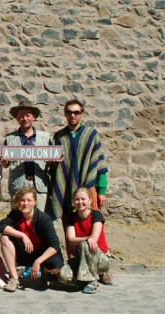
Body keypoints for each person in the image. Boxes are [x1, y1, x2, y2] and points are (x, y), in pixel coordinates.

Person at [47, 99, 109, 259]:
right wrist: (52, 163)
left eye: (76, 112)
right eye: (69, 112)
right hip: (67, 189)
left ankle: (101, 266)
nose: (72, 115)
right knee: (70, 224)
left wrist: (101, 191)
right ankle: (74, 263)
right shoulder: (59, 136)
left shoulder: (91, 135)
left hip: (89, 189)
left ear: (81, 114)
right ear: (65, 114)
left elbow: (100, 164)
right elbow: (54, 167)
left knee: (94, 224)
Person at [0, 187, 64, 292]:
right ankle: (14, 279)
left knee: (56, 265)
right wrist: (23, 236)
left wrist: (38, 261)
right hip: (25, 253)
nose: (25, 203)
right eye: (22, 200)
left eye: (29, 200)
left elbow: (55, 245)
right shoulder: (16, 214)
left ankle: (45, 273)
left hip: (42, 255)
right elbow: (1, 226)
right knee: (5, 238)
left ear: (34, 202)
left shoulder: (43, 219)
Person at [0, 101, 51, 212]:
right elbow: (6, 164)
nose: (25, 118)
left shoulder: (45, 137)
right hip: (18, 183)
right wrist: (4, 162)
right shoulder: (10, 138)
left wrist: (55, 160)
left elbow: (50, 161)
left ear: (33, 117)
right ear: (17, 118)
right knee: (18, 218)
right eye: (21, 116)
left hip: (40, 184)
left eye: (28, 115)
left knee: (40, 218)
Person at [58, 188, 112, 294]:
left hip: (100, 259)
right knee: (63, 275)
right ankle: (84, 280)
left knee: (85, 245)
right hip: (80, 260)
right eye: (77, 199)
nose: (80, 202)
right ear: (73, 201)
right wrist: (88, 238)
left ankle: (92, 281)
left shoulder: (96, 215)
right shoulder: (71, 217)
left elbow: (94, 239)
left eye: (83, 199)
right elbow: (71, 239)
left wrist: (88, 239)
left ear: (90, 200)